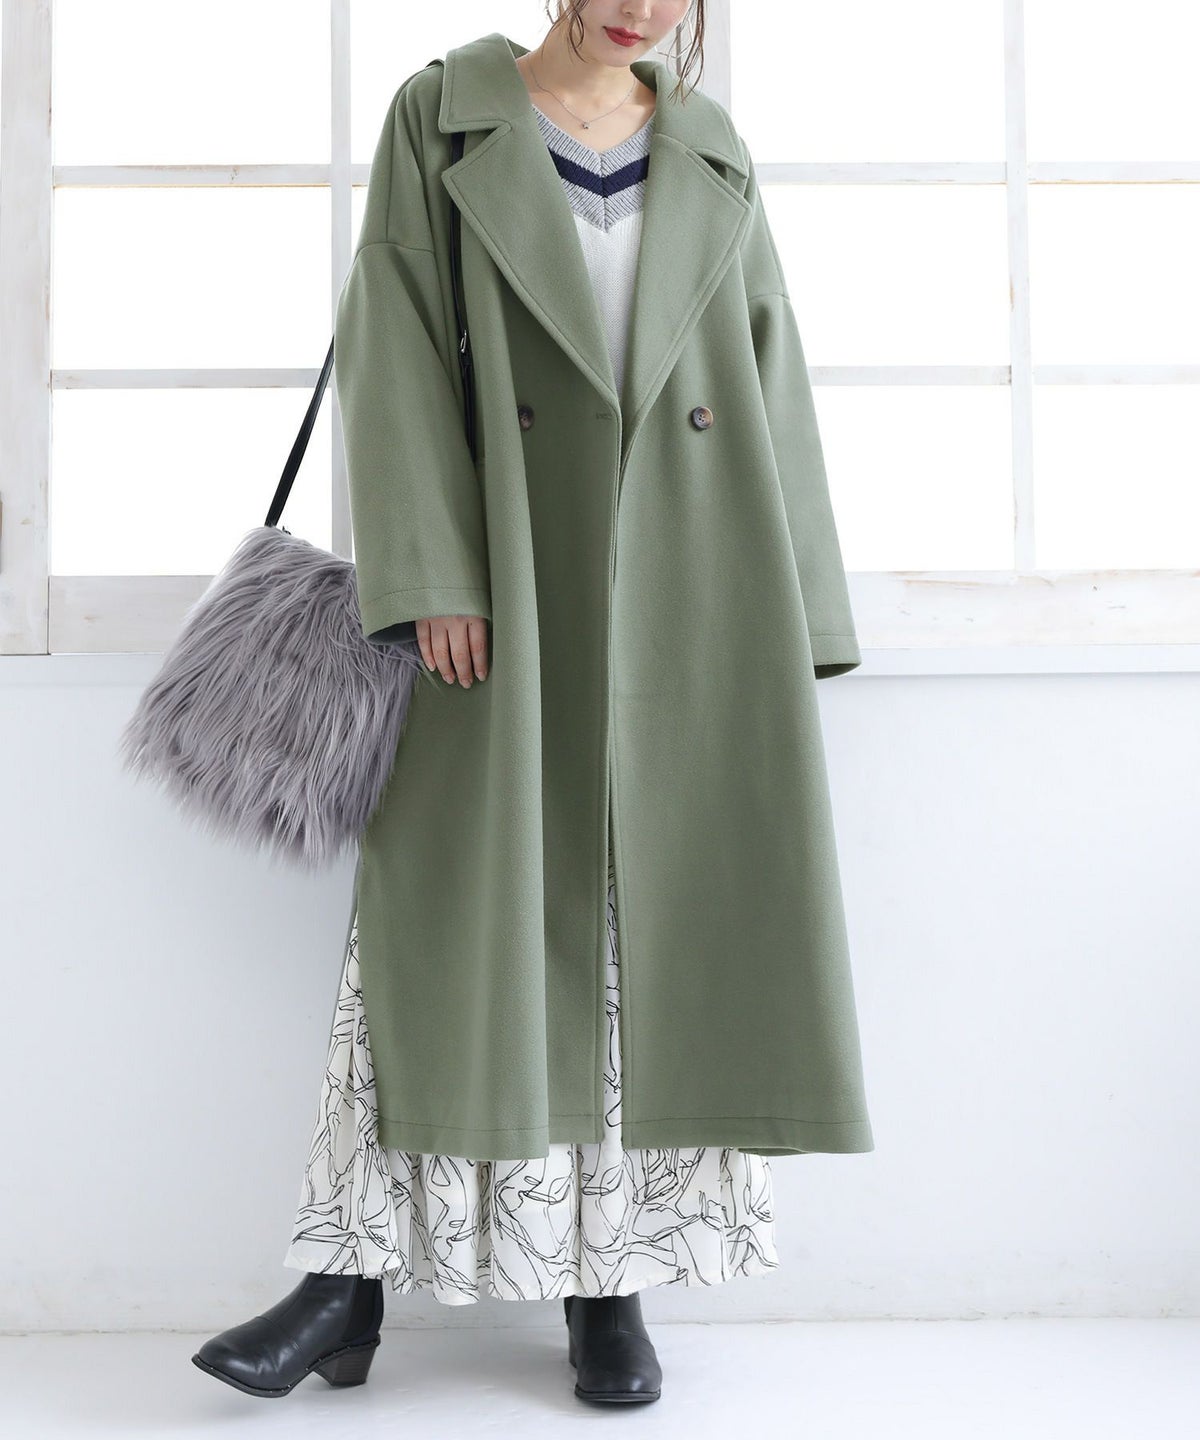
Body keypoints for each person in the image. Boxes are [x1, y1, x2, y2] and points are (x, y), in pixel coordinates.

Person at [192, 0, 873, 1407]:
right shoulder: (446, 115)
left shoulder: (709, 147)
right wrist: (434, 572)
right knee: (444, 934)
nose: (644, 7)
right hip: (503, 581)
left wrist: (801, 615)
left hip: (690, 585)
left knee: (644, 937)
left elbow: (771, 369)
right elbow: (389, 340)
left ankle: (607, 1288)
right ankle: (343, 1281)